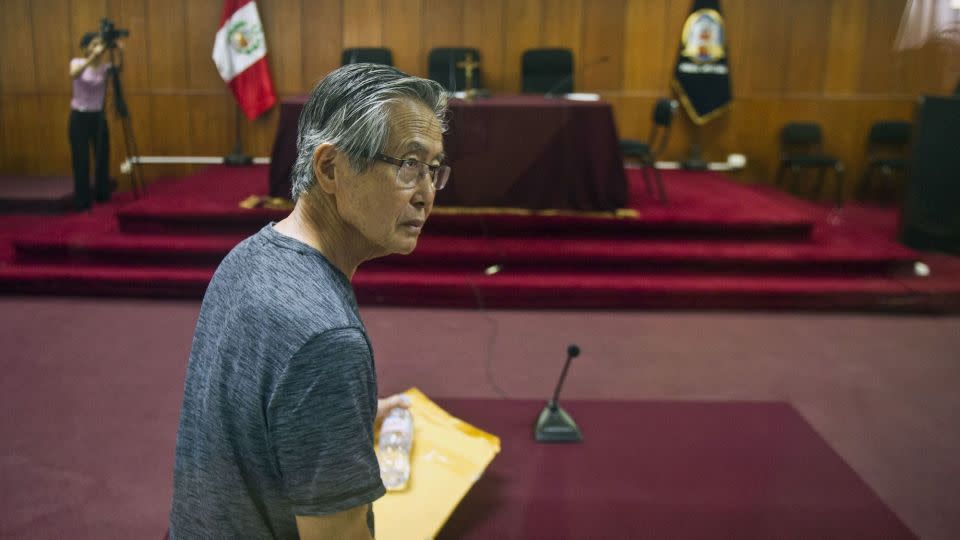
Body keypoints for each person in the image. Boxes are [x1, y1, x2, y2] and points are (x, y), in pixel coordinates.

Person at [169, 64, 450, 539]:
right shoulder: (326, 340)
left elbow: (251, 418)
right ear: (329, 168)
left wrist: (349, 412)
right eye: (408, 165)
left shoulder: (250, 256)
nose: (426, 194)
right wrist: (332, 390)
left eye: (433, 170)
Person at [68, 32, 114, 211]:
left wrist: (118, 50)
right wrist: (90, 59)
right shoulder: (77, 62)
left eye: (99, 45)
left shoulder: (105, 67)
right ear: (85, 48)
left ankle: (102, 193)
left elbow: (119, 70)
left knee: (102, 155)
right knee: (81, 158)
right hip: (79, 116)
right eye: (94, 44)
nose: (98, 48)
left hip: (98, 116)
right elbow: (73, 74)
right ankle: (82, 199)